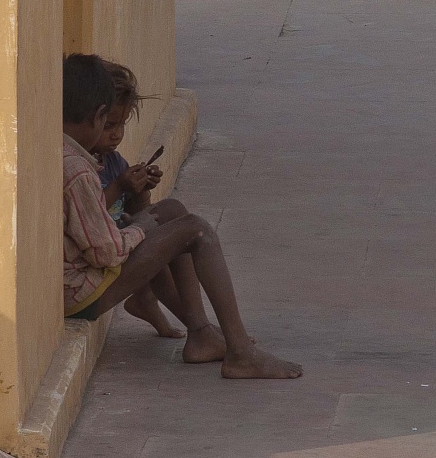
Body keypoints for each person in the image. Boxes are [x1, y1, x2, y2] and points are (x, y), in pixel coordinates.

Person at [61, 53, 301, 379]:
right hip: (82, 293)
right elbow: (108, 252)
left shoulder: (60, 152)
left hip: (78, 275)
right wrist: (141, 228)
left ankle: (201, 333)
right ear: (98, 115)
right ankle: (241, 352)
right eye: (109, 123)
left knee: (172, 212)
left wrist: (139, 212)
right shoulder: (76, 170)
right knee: (196, 231)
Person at [92, 60, 185, 339]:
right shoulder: (79, 166)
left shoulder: (113, 161)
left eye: (121, 125)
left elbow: (136, 208)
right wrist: (120, 185)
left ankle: (192, 320)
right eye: (109, 125)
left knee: (172, 223)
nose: (116, 134)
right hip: (105, 254)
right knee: (164, 245)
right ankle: (197, 325)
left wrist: (141, 187)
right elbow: (90, 211)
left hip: (123, 240)